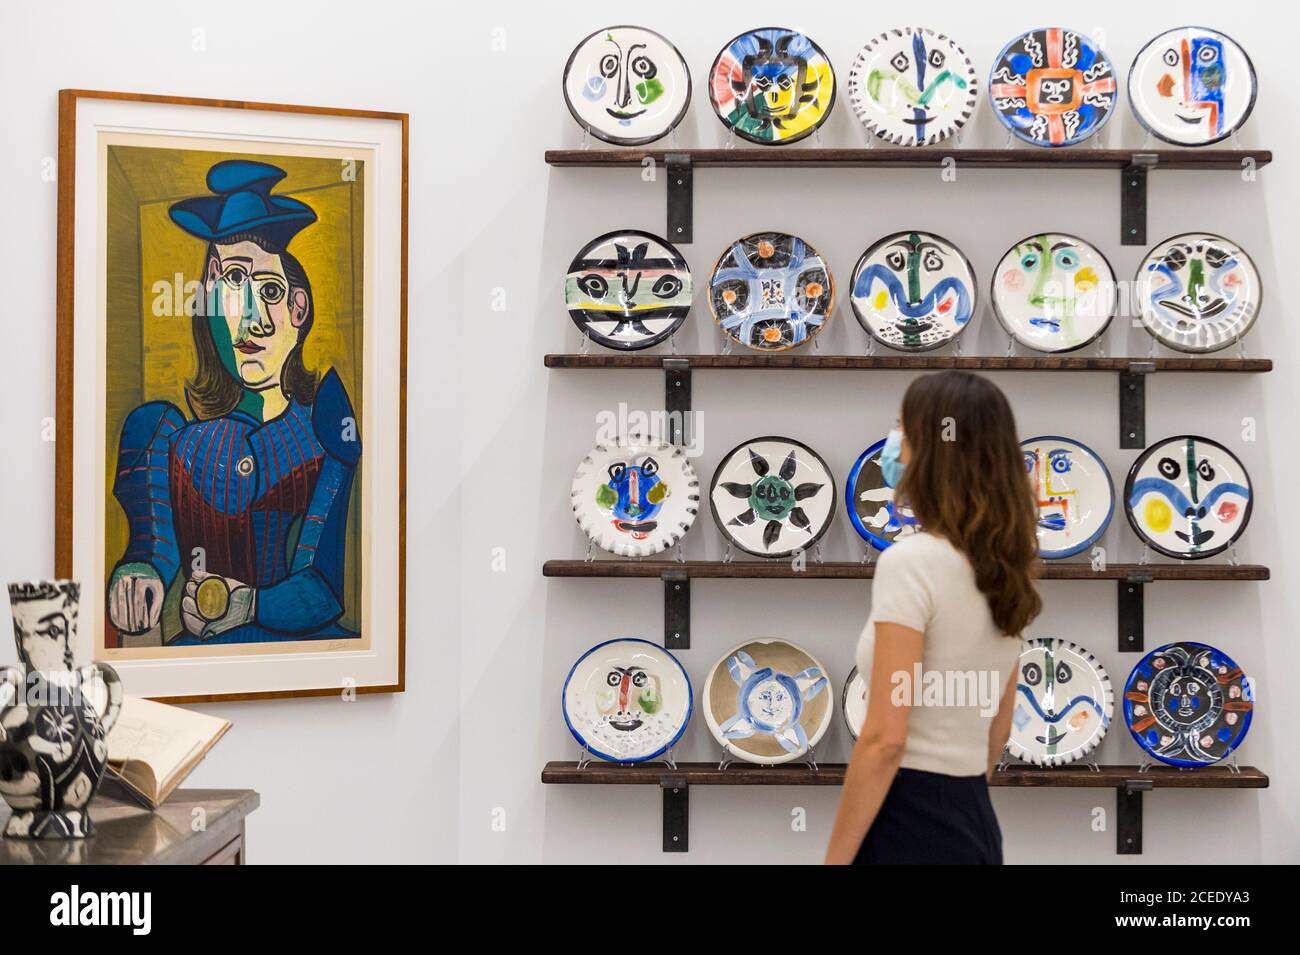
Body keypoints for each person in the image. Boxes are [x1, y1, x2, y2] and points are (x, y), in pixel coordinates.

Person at [105, 160, 360, 646]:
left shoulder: (327, 425)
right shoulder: (166, 435)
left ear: (297, 310)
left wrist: (251, 604)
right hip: (201, 662)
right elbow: (152, 547)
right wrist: (138, 577)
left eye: (269, 291)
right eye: (233, 284)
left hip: (300, 657)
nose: (254, 320)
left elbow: (322, 583)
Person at [825, 371, 1041, 864]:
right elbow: (998, 733)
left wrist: (836, 859)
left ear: (933, 446)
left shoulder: (912, 562)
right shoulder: (1004, 568)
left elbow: (884, 740)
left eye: (901, 427)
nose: (893, 444)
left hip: (907, 822)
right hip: (973, 819)